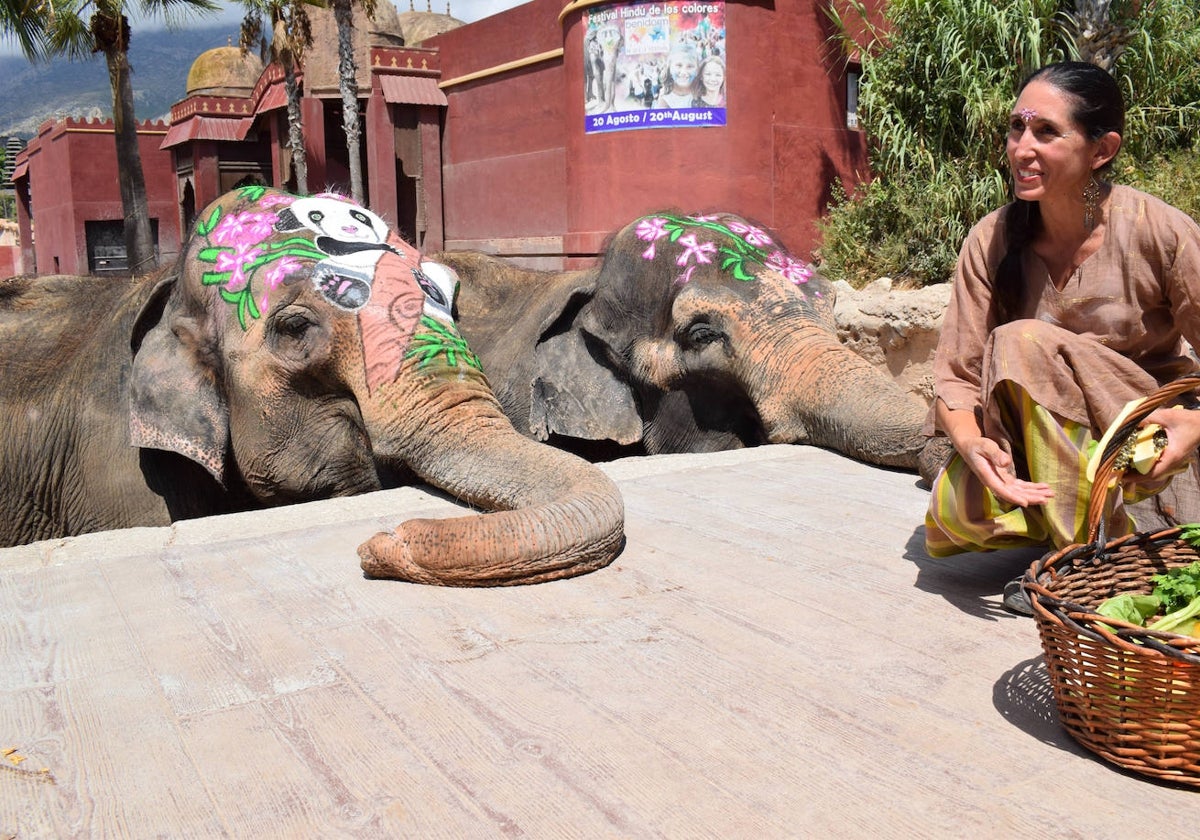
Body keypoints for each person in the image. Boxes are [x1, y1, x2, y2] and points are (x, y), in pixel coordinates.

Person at [923, 61, 1200, 609]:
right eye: (1016, 128)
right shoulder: (992, 240)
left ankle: (1092, 564)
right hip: (1041, 445)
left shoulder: (1159, 231)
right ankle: (1073, 529)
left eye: (1046, 132)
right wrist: (973, 443)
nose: (1021, 147)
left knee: (1023, 342)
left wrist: (1193, 422)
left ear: (1102, 150)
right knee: (955, 512)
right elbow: (955, 377)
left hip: (1144, 439)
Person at [656, 44, 701, 108]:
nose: (684, 72)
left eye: (690, 66)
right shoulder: (665, 95)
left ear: (697, 70)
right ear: (669, 68)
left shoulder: (701, 90)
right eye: (679, 65)